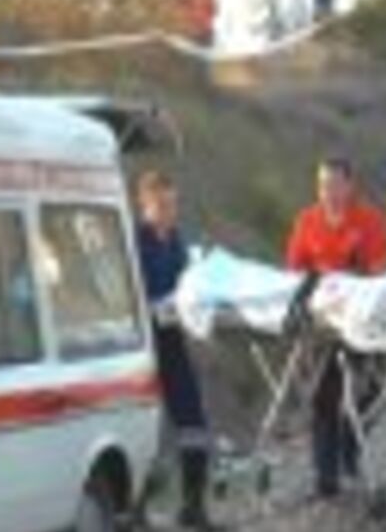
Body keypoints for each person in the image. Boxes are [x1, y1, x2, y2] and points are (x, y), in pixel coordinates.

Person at [285, 157, 386, 498]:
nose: (327, 192)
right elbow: (295, 271)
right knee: (322, 397)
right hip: (322, 320)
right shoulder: (307, 220)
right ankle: (325, 475)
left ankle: (350, 449)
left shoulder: (369, 220)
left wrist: (350, 283)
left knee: (371, 390)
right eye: (321, 185)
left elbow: (377, 273)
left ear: (349, 185)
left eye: (333, 184)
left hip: (360, 314)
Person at [134, 170, 222, 531]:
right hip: (142, 346)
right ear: (145, 204)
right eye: (162, 205)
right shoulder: (134, 241)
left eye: (173, 205)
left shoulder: (175, 240)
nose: (170, 212)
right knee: (143, 429)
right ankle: (135, 512)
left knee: (194, 422)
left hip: (172, 339)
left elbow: (187, 282)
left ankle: (193, 508)